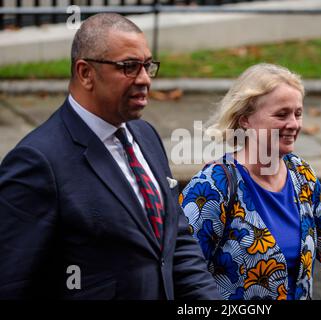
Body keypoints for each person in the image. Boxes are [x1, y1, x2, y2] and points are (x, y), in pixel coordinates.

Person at [0, 13, 219, 300]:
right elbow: (11, 283)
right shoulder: (38, 162)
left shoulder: (147, 137)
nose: (144, 80)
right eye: (129, 67)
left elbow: (176, 245)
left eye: (147, 66)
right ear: (85, 73)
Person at [180, 63, 321, 300]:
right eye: (282, 114)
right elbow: (182, 272)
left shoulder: (302, 175)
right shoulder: (212, 186)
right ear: (245, 120)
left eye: (298, 113)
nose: (293, 124)